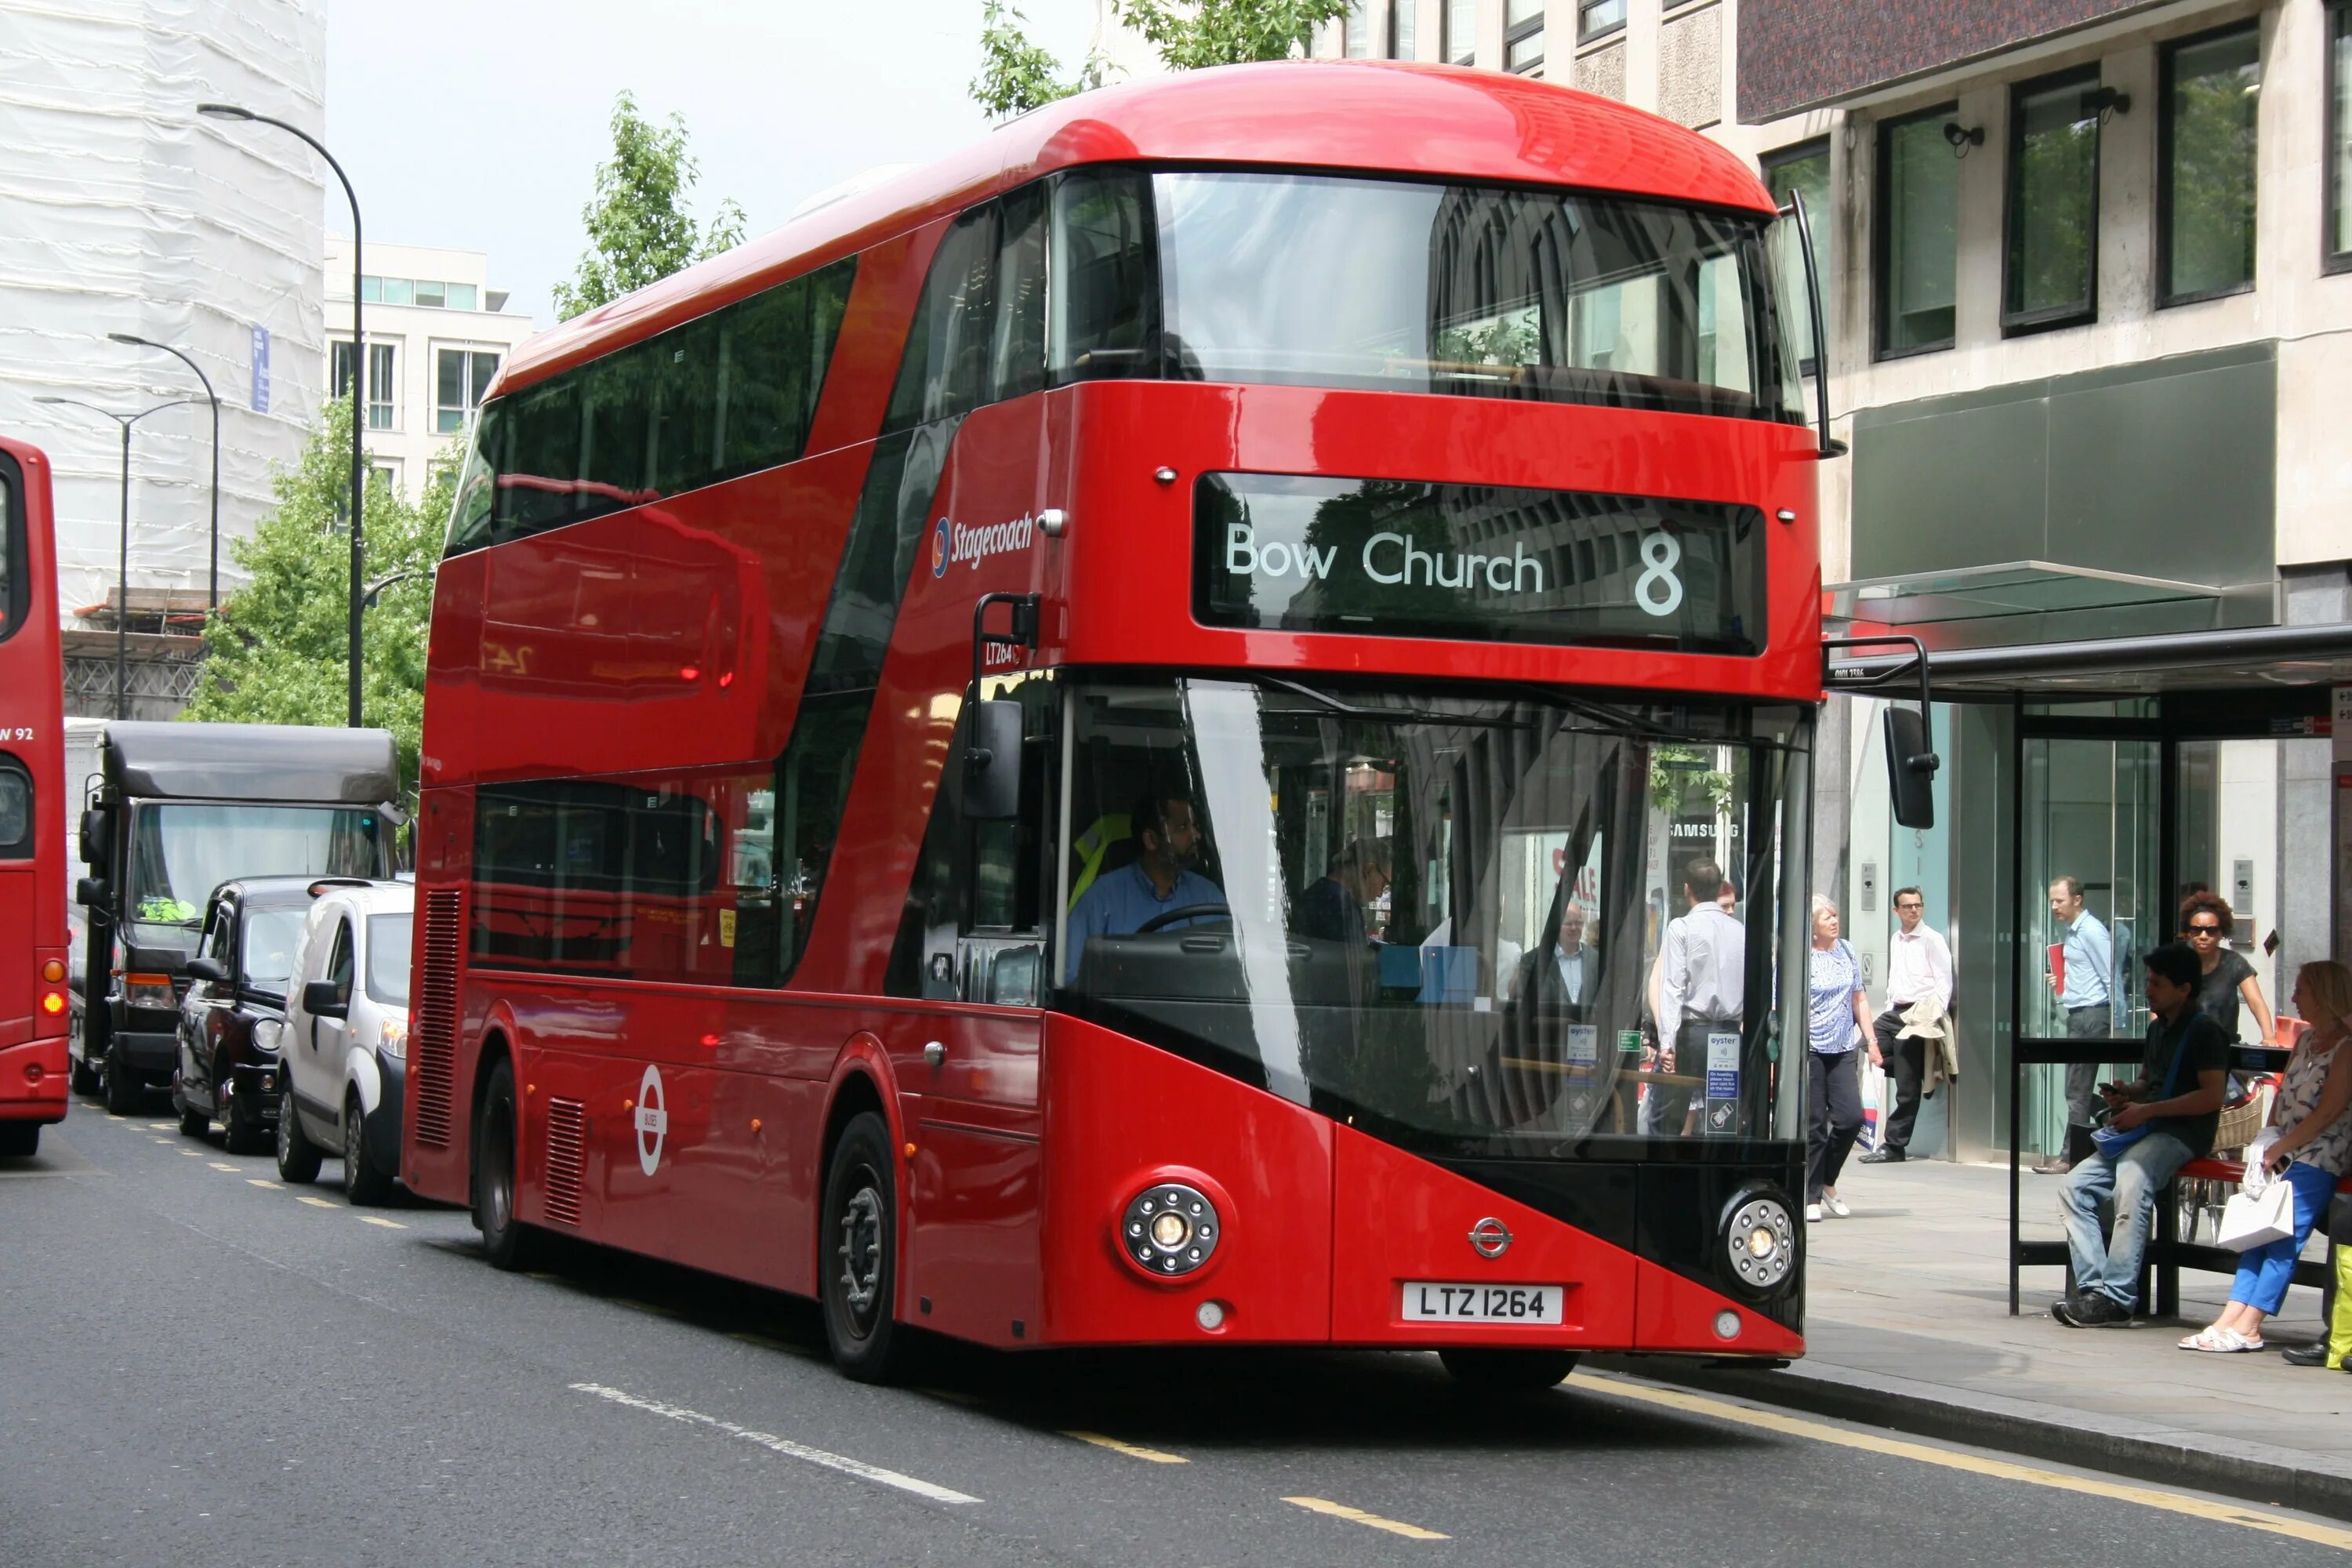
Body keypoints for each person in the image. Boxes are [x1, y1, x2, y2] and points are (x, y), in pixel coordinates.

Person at [2051, 942, 2230, 1327]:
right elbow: (2150, 1083)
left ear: (2184, 989)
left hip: (2182, 1134)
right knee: (2074, 1187)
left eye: (2158, 984)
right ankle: (2094, 1289)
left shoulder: (2205, 1032)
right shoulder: (2156, 1029)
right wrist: (2128, 1094)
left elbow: (2211, 1096)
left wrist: (2146, 1109)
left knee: (2133, 1176)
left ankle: (2117, 1296)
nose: (2149, 990)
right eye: (2149, 981)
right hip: (2148, 1127)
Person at [2185, 962, 2352, 1356]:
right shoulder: (2307, 1040)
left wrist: (2283, 1146)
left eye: (2302, 991)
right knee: (2258, 1232)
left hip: (2322, 1151)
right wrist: (2267, 1140)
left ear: (2326, 995)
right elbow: (2281, 1099)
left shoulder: (2347, 1047)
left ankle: (2252, 1323)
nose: (2294, 998)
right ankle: (2231, 1315)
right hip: (2284, 1148)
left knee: (2283, 1235)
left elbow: (2329, 1112)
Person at [1062, 789, 1225, 985]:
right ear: (1151, 840)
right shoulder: (1101, 898)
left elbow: (1233, 973)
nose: (1196, 835)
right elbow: (1069, 977)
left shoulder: (1209, 896)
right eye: (1183, 827)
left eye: (1195, 826)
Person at [1860, 885, 1954, 1164]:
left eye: (1918, 905)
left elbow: (1944, 982)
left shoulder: (1932, 939)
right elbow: (1896, 979)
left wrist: (1932, 1016)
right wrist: (1889, 1006)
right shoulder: (1896, 938)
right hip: (1895, 1013)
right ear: (1896, 911)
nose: (1914, 910)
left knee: (1906, 1090)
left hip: (1918, 1014)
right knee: (1866, 1046)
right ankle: (1909, 1072)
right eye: (1908, 906)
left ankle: (1895, 1147)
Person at [1651, 858, 1744, 1137]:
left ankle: (1670, 1174)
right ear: (1719, 889)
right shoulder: (1740, 931)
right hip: (1730, 1033)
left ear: (1686, 889)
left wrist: (1667, 1043)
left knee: (1669, 1117)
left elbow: (1673, 987)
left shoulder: (1682, 928)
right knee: (1723, 1116)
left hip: (1693, 1035)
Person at [2034, 875, 2114, 1175]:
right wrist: (2063, 983)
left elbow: (2110, 975)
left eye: (2060, 901)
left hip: (2093, 1015)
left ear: (2077, 900)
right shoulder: (2073, 931)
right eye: (2052, 901)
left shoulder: (2091, 931)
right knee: (2075, 1090)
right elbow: (2087, 974)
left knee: (2077, 1091)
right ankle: (2110, 1121)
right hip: (2079, 1012)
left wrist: (2115, 1019)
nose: (2054, 906)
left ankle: (2072, 1157)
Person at [1804, 896, 1872, 1221]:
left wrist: (1871, 1040)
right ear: (1813, 926)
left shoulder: (1846, 950)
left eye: (1835, 915)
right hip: (1812, 1048)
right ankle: (1811, 1195)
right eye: (1826, 917)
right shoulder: (1802, 956)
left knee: (1851, 1119)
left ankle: (1827, 1181)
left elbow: (1859, 997)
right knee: (1815, 1125)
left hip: (1843, 1046)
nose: (1834, 920)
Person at [2180, 891, 2275, 1046]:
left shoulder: (2234, 963)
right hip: (2183, 1047)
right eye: (2197, 930)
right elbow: (2158, 1002)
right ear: (2189, 932)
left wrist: (2269, 1037)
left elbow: (2256, 1002)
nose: (2203, 936)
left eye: (2211, 930)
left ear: (2221, 932)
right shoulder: (2178, 962)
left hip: (2223, 1048)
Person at [1295, 837, 1391, 946]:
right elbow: (1356, 961)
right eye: (1383, 884)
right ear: (1368, 870)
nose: (1380, 894)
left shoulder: (1314, 892)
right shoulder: (1343, 908)